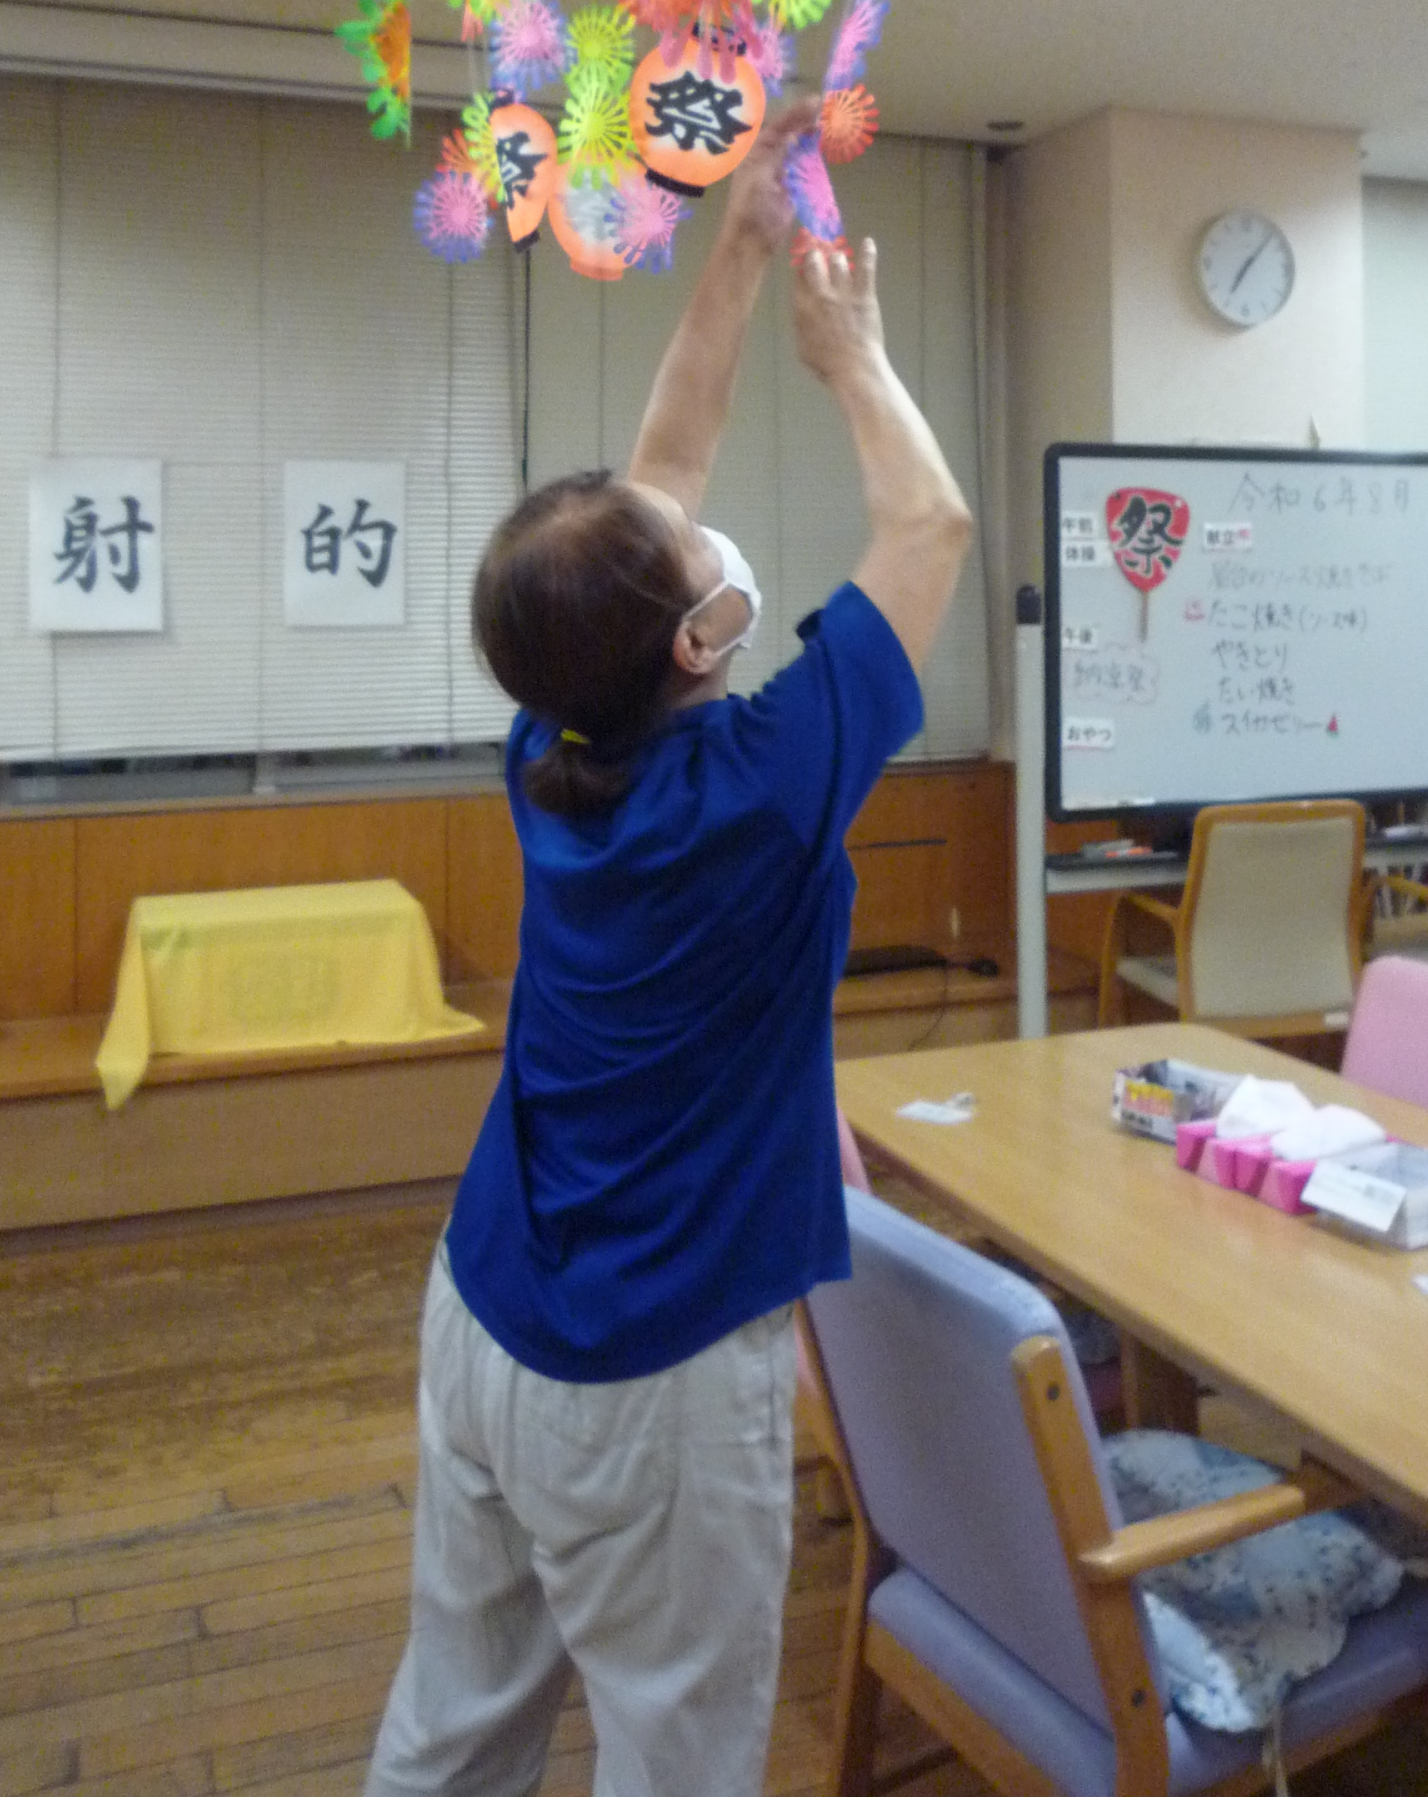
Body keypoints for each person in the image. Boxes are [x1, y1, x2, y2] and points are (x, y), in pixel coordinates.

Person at [365, 96, 974, 1797]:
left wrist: (739, 249)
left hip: (487, 1305)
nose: (689, 512)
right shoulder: (763, 790)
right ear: (702, 637)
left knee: (453, 1722)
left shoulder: (551, 743)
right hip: (651, 1374)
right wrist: (851, 355)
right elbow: (928, 530)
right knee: (678, 1756)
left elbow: (669, 461)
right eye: (694, 555)